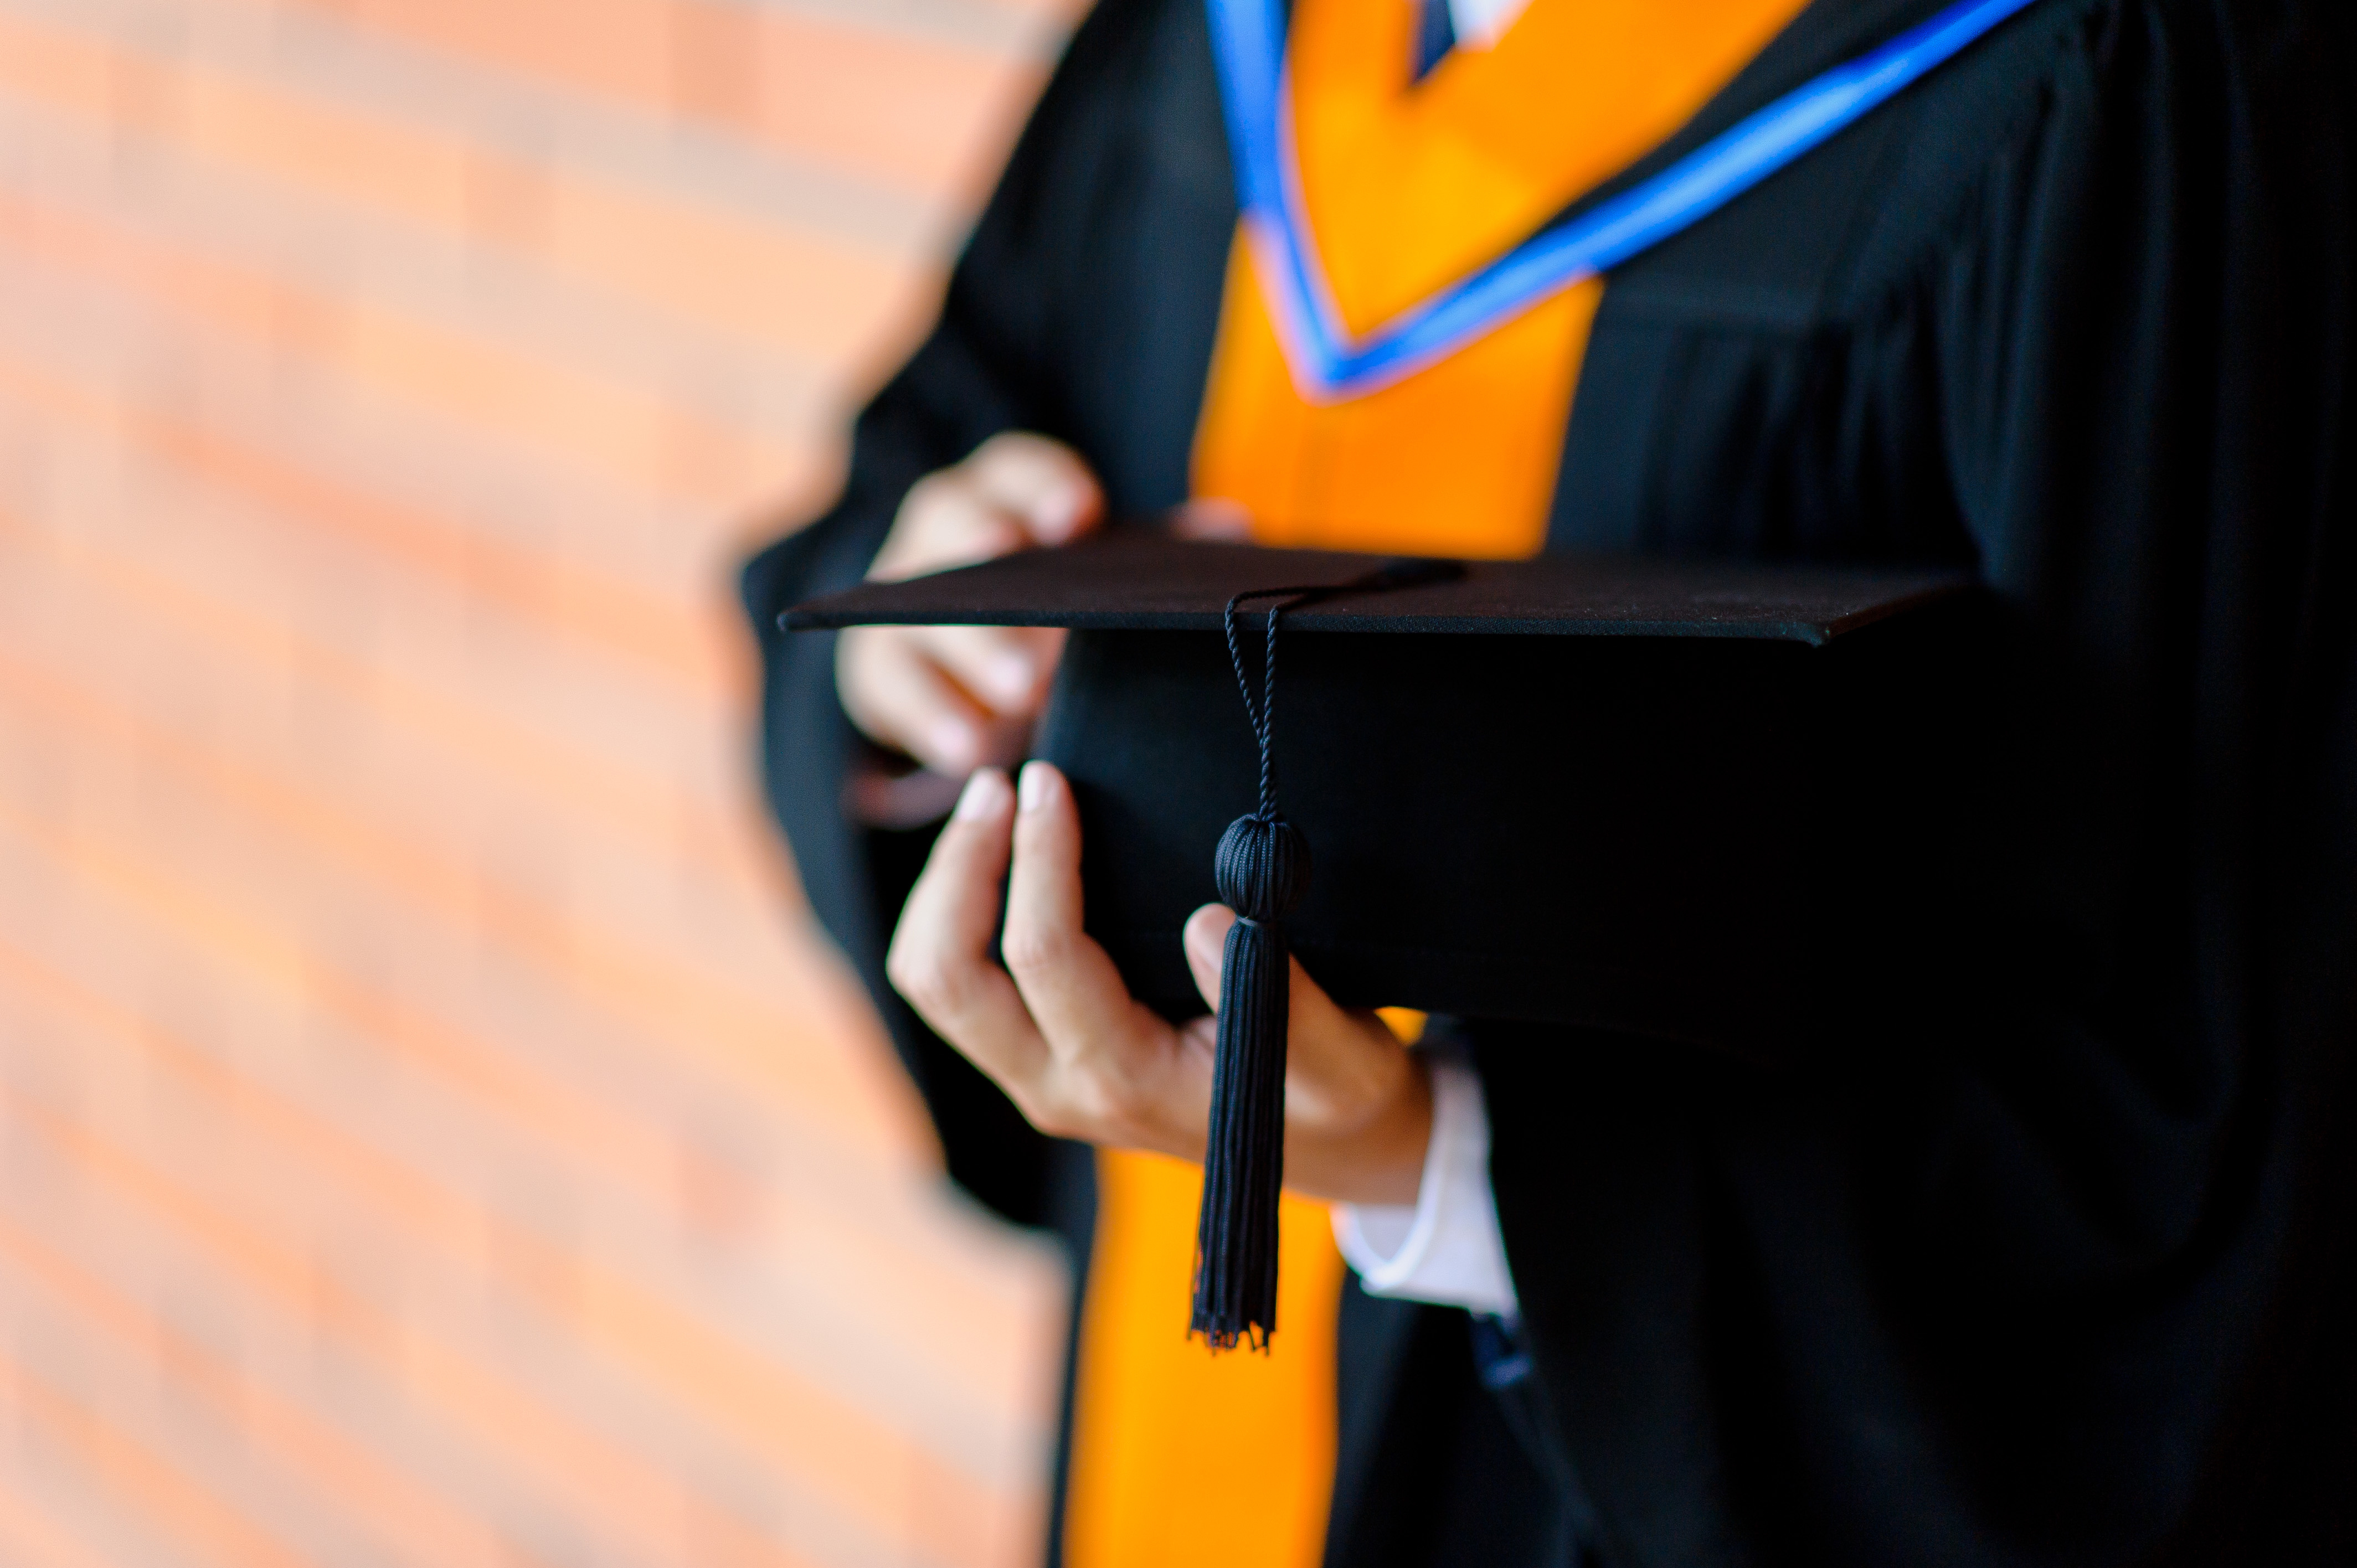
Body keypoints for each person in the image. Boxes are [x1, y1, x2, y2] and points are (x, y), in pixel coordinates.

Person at [740, 0, 2357, 1562]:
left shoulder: (2099, 77)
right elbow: (919, 462)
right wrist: (920, 654)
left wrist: (1438, 1163)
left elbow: (2178, 1076)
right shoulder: (1212, 37)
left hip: (1598, 1481)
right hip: (1154, 1420)